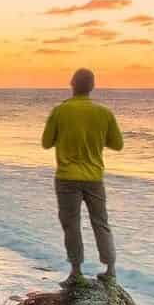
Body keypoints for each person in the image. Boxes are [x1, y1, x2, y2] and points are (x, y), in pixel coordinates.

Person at [40, 67, 123, 288]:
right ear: (92, 87)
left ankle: (76, 271)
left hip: (67, 177)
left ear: (72, 85)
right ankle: (110, 270)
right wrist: (93, 139)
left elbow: (46, 142)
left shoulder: (60, 111)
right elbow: (118, 144)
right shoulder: (104, 113)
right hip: (94, 177)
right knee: (101, 222)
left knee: (72, 224)